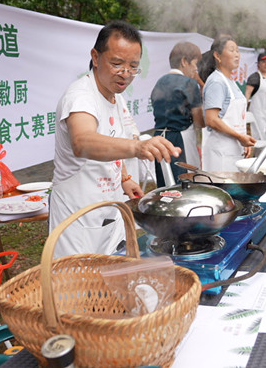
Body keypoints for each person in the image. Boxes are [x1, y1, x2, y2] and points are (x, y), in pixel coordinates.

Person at [49, 21, 180, 257]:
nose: (126, 74)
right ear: (96, 57)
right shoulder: (80, 97)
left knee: (111, 284)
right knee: (78, 288)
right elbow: (83, 142)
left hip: (108, 213)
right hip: (77, 221)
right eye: (117, 64)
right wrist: (138, 147)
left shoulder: (115, 96)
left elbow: (113, 139)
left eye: (133, 67)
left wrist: (125, 178)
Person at [150, 41, 204, 186]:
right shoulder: (189, 83)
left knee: (165, 185)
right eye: (195, 63)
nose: (196, 68)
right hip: (181, 139)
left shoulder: (159, 82)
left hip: (159, 140)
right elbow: (199, 121)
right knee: (186, 183)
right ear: (184, 61)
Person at [202, 35, 257, 172]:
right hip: (220, 153)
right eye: (232, 50)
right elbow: (211, 119)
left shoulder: (231, 82)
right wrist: (239, 137)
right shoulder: (216, 82)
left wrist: (244, 140)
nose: (237, 55)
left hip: (233, 150)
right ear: (217, 55)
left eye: (237, 51)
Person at [245, 52, 266, 141]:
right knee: (260, 140)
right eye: (264, 62)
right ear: (258, 64)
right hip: (258, 116)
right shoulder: (254, 78)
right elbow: (247, 95)